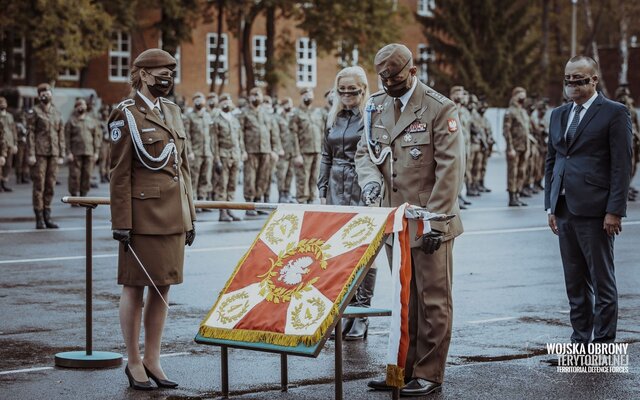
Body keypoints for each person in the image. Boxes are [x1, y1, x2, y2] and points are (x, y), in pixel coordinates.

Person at [356, 43, 464, 396]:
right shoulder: (376, 105)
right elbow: (365, 153)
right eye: (384, 79)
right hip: (395, 221)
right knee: (405, 300)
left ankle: (429, 373)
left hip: (429, 221)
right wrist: (372, 185)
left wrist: (436, 222)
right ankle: (401, 371)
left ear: (411, 71)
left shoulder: (437, 107)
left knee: (432, 299)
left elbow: (449, 170)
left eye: (396, 78)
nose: (389, 84)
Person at [109, 48, 196, 390]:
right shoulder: (125, 115)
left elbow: (183, 168)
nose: (167, 80)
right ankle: (133, 361)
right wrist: (121, 223)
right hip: (142, 217)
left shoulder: (173, 111)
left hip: (173, 215)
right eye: (161, 74)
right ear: (143, 75)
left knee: (163, 288)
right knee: (135, 288)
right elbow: (119, 174)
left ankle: (153, 359)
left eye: (170, 74)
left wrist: (190, 216)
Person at [545, 56, 632, 344]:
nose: (572, 85)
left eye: (579, 79)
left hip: (597, 211)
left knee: (601, 282)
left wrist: (615, 211)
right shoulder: (558, 114)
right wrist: (551, 205)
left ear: (594, 80)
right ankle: (580, 342)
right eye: (568, 79)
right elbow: (553, 159)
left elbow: (622, 165)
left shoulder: (614, 113)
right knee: (574, 283)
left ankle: (603, 345)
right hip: (565, 208)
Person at [318, 66, 374, 340]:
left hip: (362, 185)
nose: (348, 94)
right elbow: (325, 154)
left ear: (363, 89)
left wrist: (371, 190)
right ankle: (342, 311)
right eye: (343, 90)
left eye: (353, 90)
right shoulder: (333, 116)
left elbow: (376, 155)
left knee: (364, 252)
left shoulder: (371, 116)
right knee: (337, 253)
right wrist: (321, 187)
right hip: (336, 187)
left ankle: (362, 313)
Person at [26, 83, 65, 229]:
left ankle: (48, 216)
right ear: (39, 96)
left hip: (54, 153)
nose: (45, 95)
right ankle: (39, 218)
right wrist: (30, 154)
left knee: (50, 185)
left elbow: (61, 133)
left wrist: (62, 153)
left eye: (47, 92)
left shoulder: (56, 112)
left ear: (51, 94)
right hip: (39, 153)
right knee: (39, 185)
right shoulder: (34, 111)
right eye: (42, 92)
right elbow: (30, 133)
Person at [238, 87, 277, 216]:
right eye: (253, 95)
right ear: (249, 97)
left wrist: (273, 149)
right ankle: (249, 204)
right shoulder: (244, 113)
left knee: (263, 177)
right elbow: (240, 133)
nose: (256, 97)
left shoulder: (266, 113)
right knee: (250, 177)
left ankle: (258, 202)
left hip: (265, 150)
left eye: (258, 95)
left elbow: (272, 132)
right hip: (251, 150)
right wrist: (242, 150)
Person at [212, 93, 245, 222]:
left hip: (235, 155)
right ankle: (222, 212)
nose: (227, 103)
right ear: (220, 104)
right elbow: (214, 142)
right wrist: (217, 159)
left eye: (229, 101)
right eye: (224, 101)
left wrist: (243, 152)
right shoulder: (217, 121)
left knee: (232, 184)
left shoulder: (235, 119)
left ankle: (230, 208)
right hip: (223, 155)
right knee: (222, 185)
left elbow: (239, 138)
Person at [290, 88, 322, 204]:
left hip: (316, 150)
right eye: (305, 94)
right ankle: (302, 202)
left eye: (310, 94)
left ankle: (311, 201)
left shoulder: (316, 112)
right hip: (303, 151)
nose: (308, 96)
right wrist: (296, 154)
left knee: (314, 178)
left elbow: (322, 132)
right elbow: (293, 135)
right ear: (301, 97)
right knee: (303, 179)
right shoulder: (296, 114)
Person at [64, 98, 101, 199]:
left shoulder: (91, 121)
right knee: (75, 175)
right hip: (75, 153)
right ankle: (74, 196)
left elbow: (96, 136)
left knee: (87, 174)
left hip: (89, 152)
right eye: (79, 105)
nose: (81, 107)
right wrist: (68, 152)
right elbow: (66, 138)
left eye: (83, 105)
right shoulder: (71, 121)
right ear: (76, 108)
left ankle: (83, 195)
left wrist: (96, 152)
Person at [184, 92, 213, 207]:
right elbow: (187, 136)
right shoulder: (189, 117)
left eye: (200, 100)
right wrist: (190, 151)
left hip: (207, 152)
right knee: (194, 178)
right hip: (195, 153)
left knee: (205, 178)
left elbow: (211, 135)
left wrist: (212, 152)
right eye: (196, 100)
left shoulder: (207, 116)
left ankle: (203, 201)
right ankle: (194, 203)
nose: (199, 102)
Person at [503, 87, 531, 207]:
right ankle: (512, 196)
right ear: (514, 96)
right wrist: (510, 148)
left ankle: (518, 194)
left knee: (522, 171)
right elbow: (506, 131)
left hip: (524, 146)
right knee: (513, 173)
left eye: (524, 94)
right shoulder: (510, 111)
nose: (523, 97)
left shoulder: (523, 112)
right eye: (520, 94)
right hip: (514, 147)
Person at [275, 97, 298, 203]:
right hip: (283, 150)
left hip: (292, 151)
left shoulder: (293, 118)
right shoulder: (278, 118)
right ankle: (281, 194)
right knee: (281, 174)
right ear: (283, 106)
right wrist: (279, 148)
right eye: (287, 104)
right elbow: (276, 135)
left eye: (290, 104)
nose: (289, 106)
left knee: (290, 173)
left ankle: (287, 192)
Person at [0, 96, 18, 192]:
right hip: (1, 144)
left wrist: (15, 144)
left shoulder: (10, 116)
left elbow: (13, 130)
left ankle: (4, 182)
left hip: (10, 143)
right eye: (1, 103)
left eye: (4, 102)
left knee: (8, 165)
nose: (3, 104)